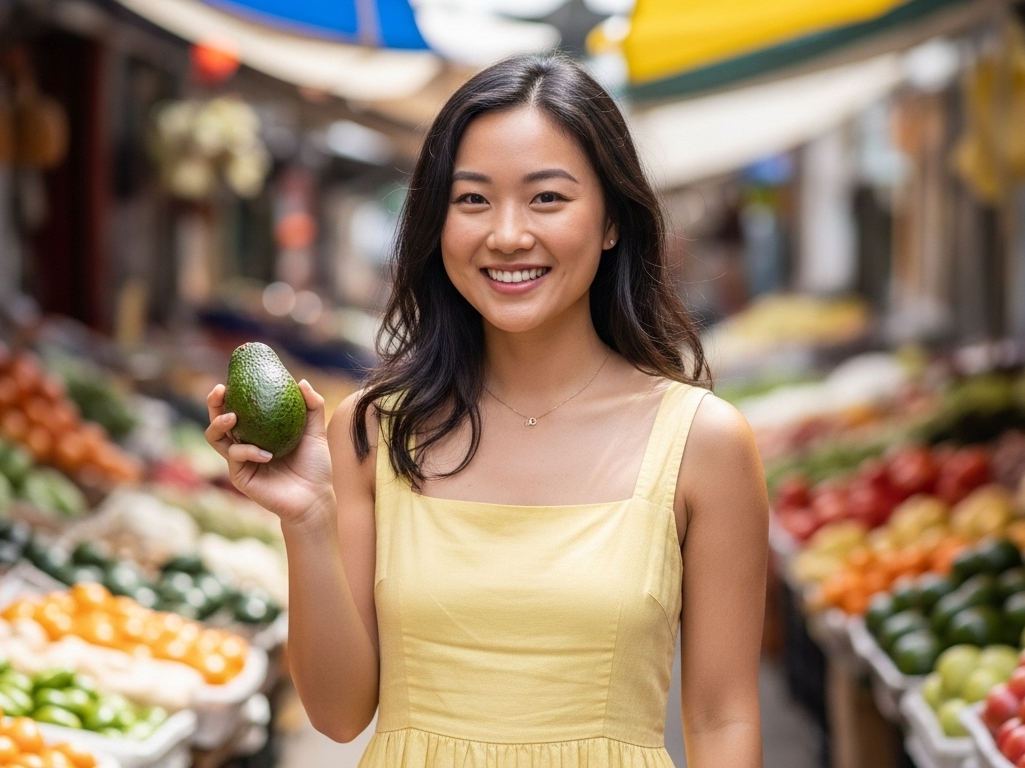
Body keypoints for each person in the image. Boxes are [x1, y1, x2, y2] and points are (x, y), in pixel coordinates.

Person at [205, 53, 768, 767]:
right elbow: (338, 713)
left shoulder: (702, 442)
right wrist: (307, 520)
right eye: (472, 200)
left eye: (547, 199)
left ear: (612, 223)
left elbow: (723, 719)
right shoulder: (373, 429)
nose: (506, 234)